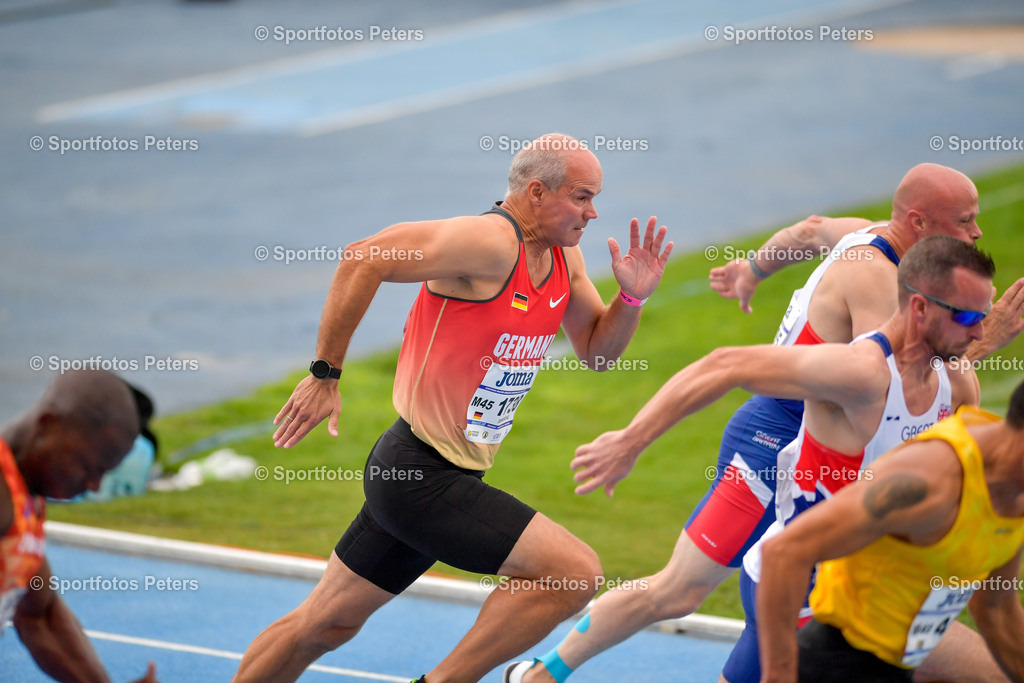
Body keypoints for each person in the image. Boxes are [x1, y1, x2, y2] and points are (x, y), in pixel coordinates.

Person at [506, 165, 1018, 682]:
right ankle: (541, 672)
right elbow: (898, 376)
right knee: (681, 588)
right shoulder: (876, 292)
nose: (976, 232)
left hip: (827, 496)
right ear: (920, 222)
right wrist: (986, 338)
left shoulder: (867, 234)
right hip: (773, 437)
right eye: (966, 221)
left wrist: (754, 269)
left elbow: (810, 228)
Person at [231, 133, 673, 683]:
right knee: (572, 574)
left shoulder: (564, 257)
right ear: (536, 192)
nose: (593, 211)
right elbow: (365, 256)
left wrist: (631, 299)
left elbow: (598, 354)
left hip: (436, 472)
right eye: (582, 197)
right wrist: (325, 374)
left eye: (594, 197)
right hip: (419, 473)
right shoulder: (489, 243)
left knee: (324, 625)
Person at [758, 378, 1024, 682]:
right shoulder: (929, 479)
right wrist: (778, 675)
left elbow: (996, 607)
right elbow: (784, 552)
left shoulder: (1012, 493)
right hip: (833, 662)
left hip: (901, 664)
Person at [0, 369, 156, 683]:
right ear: (48, 427)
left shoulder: (26, 496)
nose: (94, 485)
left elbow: (40, 615)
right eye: (90, 467)